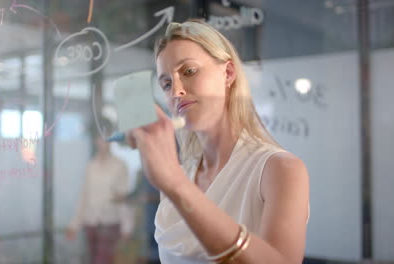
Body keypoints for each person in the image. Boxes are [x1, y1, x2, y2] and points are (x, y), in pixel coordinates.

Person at [126, 20, 310, 264]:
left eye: (189, 71)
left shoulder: (281, 169)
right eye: (166, 83)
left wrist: (176, 185)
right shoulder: (181, 173)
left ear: (228, 73)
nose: (176, 91)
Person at [66, 135, 130, 264]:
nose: (104, 142)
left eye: (107, 138)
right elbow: (84, 196)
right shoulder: (91, 166)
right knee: (93, 259)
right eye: (101, 138)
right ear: (96, 141)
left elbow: (123, 199)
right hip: (91, 222)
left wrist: (127, 227)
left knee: (103, 260)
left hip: (110, 222)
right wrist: (74, 224)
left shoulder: (120, 166)